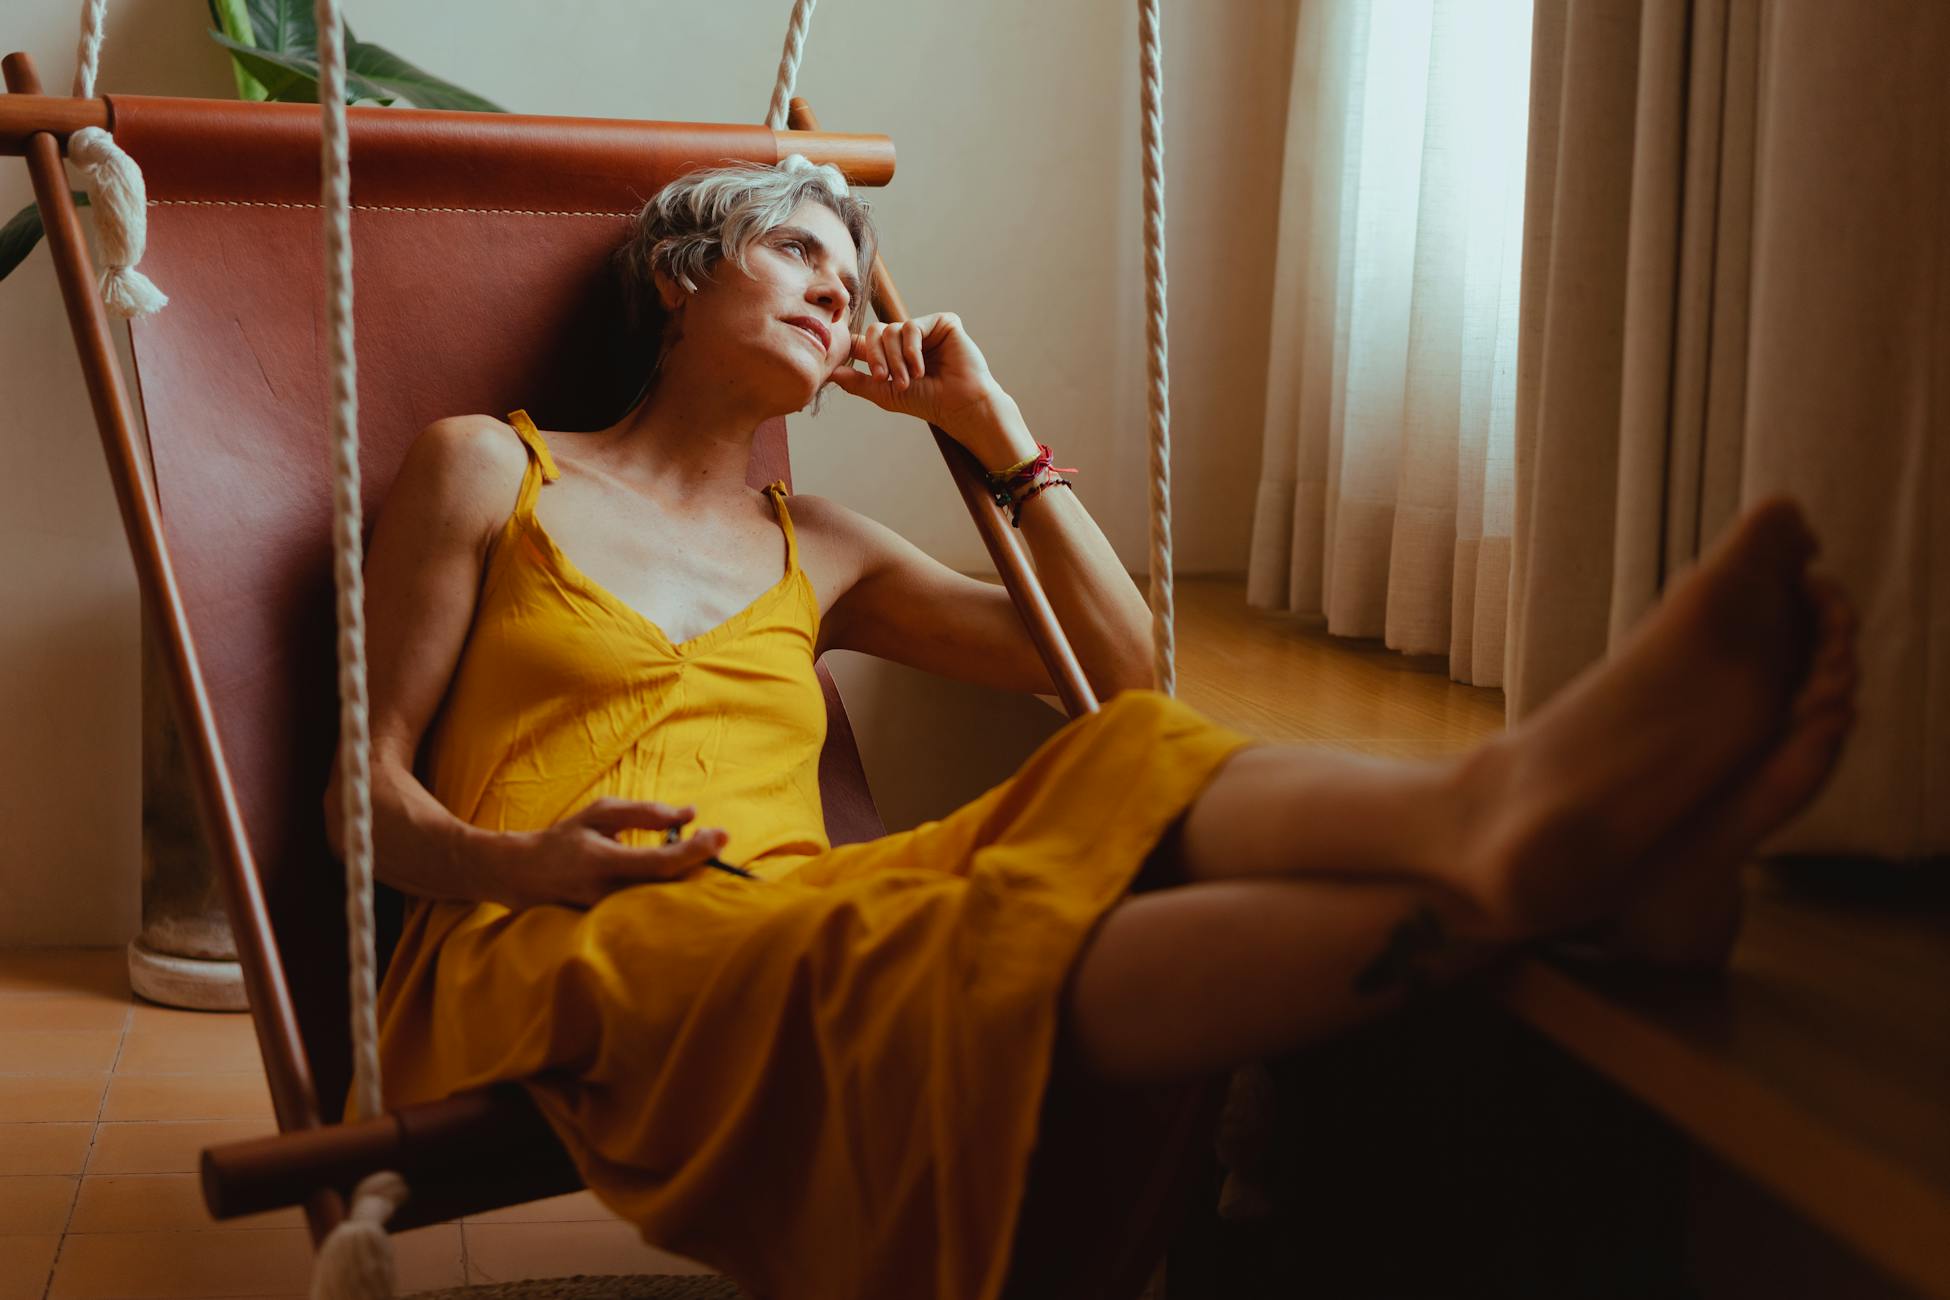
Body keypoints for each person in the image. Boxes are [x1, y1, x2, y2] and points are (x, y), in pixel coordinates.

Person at [330, 156, 1857, 1300]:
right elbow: (366, 800)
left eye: (852, 285)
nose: (834, 295)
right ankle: (1550, 860)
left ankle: (1493, 827)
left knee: (1099, 772)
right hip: (539, 939)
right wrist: (533, 864)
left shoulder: (828, 545)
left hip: (785, 902)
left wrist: (991, 435)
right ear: (677, 274)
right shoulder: (490, 470)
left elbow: (1124, 683)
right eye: (796, 251)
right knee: (911, 947)